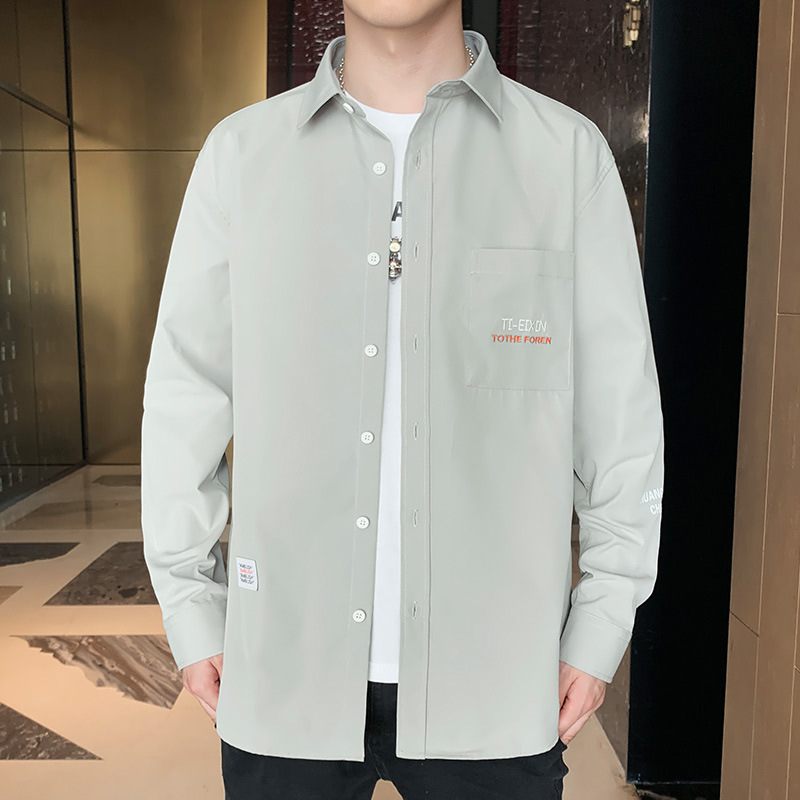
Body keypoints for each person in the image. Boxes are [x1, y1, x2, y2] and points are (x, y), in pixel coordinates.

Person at [140, 1, 665, 798]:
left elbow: (619, 418)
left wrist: (601, 621)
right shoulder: (241, 158)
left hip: (496, 688)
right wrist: (189, 604)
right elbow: (187, 397)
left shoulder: (563, 158)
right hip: (283, 678)